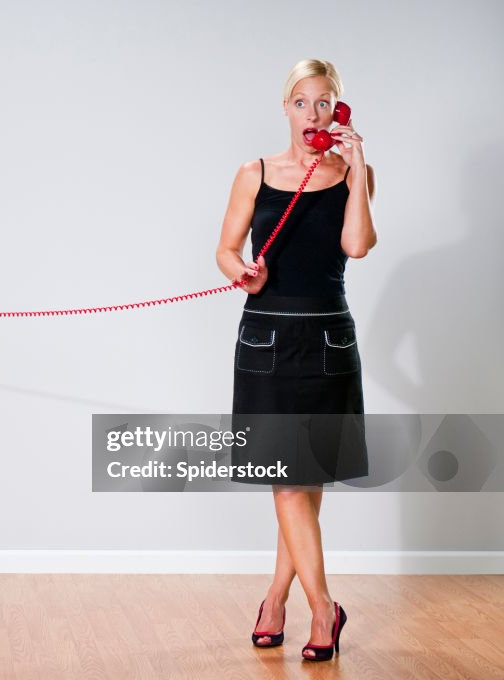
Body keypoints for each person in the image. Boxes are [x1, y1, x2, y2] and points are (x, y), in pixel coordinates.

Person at [214, 58, 377, 662]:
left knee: (303, 486)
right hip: (266, 340)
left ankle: (276, 598)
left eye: (326, 102)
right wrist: (243, 274)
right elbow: (226, 249)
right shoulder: (253, 172)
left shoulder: (351, 173)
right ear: (286, 107)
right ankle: (323, 609)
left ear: (340, 109)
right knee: (287, 486)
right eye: (303, 102)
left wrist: (356, 169)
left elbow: (357, 245)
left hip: (330, 342)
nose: (314, 113)